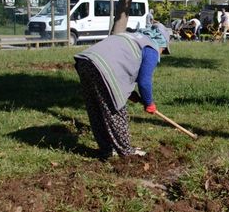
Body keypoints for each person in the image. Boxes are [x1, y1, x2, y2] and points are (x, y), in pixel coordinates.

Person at [73, 23, 171, 158]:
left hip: (85, 62)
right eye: (163, 50)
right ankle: (126, 151)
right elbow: (144, 81)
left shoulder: (132, 37)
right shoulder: (151, 47)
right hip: (103, 69)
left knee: (96, 109)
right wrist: (149, 103)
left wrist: (134, 96)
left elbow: (120, 67)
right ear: (161, 43)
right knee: (115, 109)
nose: (161, 53)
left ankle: (107, 150)